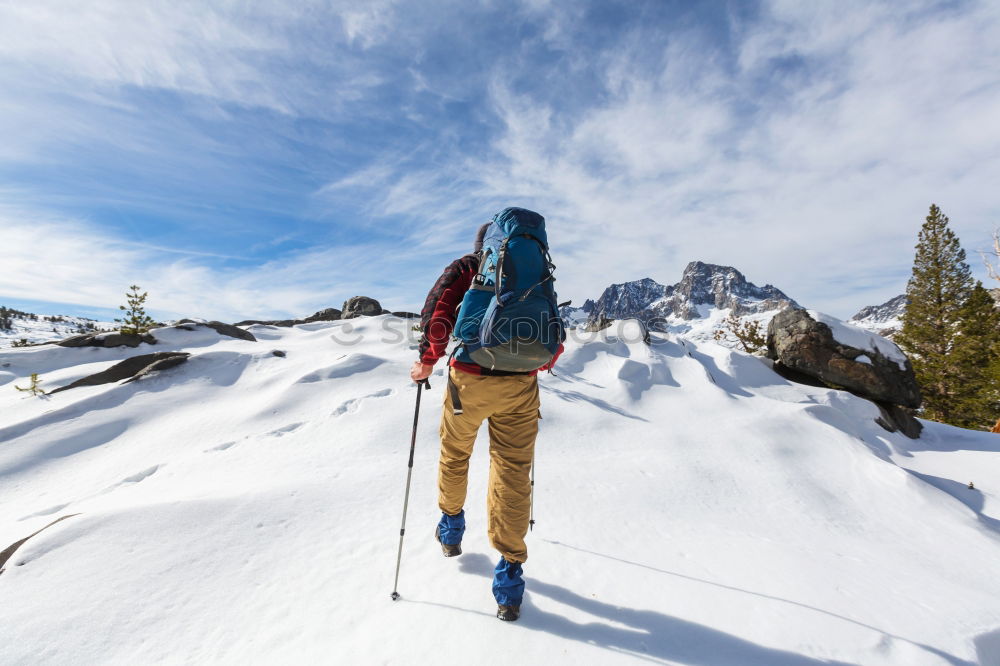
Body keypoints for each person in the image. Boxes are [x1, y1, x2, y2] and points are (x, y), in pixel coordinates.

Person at [410, 214, 561, 622]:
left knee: (455, 454)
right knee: (512, 470)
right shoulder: (537, 268)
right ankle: (510, 577)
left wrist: (426, 363)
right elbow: (549, 325)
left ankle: (451, 529)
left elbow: (438, 315)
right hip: (521, 384)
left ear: (486, 244)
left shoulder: (468, 267)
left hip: (470, 379)